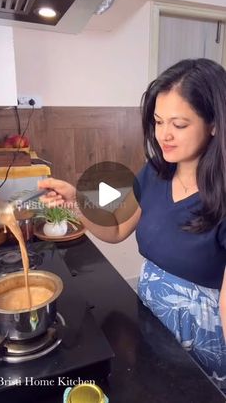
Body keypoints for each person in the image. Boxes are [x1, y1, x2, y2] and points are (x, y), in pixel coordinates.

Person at [38, 58, 226, 389]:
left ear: (214, 124)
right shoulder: (155, 172)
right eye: (157, 121)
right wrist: (76, 203)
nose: (164, 135)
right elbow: (117, 229)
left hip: (202, 342)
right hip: (149, 318)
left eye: (179, 125)